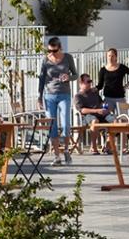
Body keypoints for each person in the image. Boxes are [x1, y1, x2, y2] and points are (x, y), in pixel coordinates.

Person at [37, 36, 78, 166]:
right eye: (49, 51)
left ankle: (66, 150)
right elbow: (42, 79)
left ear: (60, 48)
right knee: (52, 126)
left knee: (66, 123)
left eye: (54, 51)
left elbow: (76, 75)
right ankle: (56, 156)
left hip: (64, 94)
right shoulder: (46, 60)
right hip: (49, 95)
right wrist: (39, 96)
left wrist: (69, 77)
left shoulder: (68, 58)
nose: (51, 54)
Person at [73, 73, 114, 154]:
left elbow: (101, 103)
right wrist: (96, 111)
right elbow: (82, 110)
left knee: (116, 121)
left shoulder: (94, 92)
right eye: (88, 81)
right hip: (88, 116)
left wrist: (106, 108)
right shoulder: (78, 96)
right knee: (95, 121)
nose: (90, 83)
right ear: (81, 83)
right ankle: (93, 147)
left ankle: (108, 146)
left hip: (101, 114)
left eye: (90, 81)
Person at [96, 47, 129, 114]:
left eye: (112, 56)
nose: (110, 58)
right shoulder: (102, 70)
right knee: (105, 116)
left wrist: (127, 85)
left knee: (124, 119)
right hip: (107, 99)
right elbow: (100, 85)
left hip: (120, 98)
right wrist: (93, 89)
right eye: (109, 56)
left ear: (116, 57)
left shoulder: (122, 67)